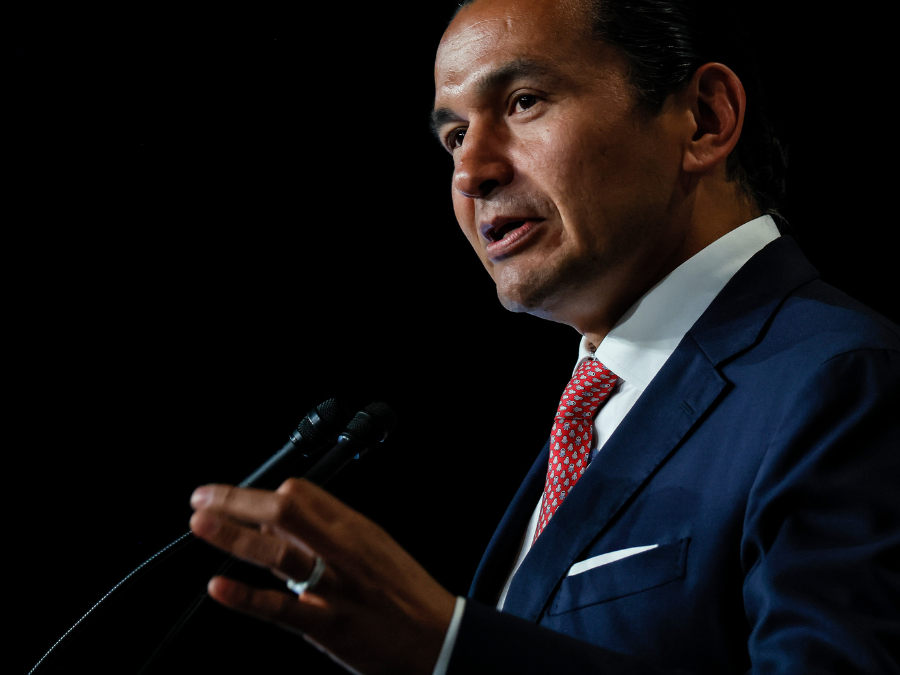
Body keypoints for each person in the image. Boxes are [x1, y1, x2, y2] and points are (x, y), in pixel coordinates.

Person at [188, 0, 900, 672]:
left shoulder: (845, 377)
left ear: (704, 119)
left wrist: (452, 648)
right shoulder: (591, 413)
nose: (471, 171)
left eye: (523, 102)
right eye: (454, 135)